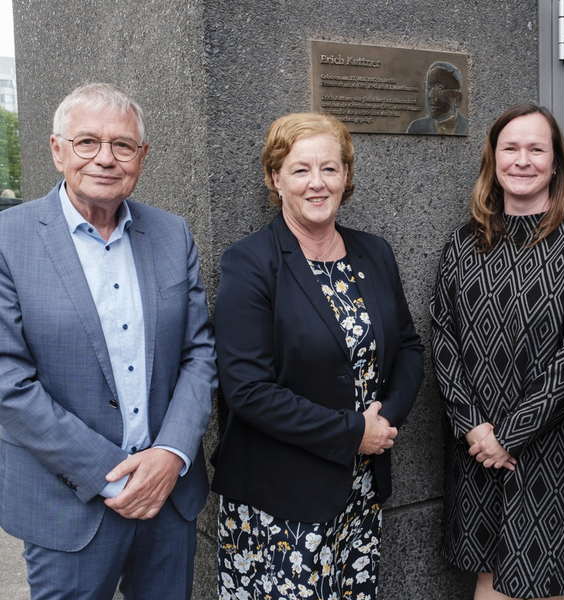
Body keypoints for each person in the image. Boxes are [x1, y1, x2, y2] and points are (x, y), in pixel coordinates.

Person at [0, 83, 217, 599]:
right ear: (57, 150)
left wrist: (170, 454)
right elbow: (7, 380)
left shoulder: (172, 234)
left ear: (142, 157)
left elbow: (200, 353)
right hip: (67, 506)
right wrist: (112, 475)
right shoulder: (8, 239)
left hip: (169, 496)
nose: (105, 159)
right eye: (87, 142)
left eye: (122, 145)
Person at [211, 112, 424, 600]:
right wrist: (354, 432)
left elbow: (409, 347)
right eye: (300, 169)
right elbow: (247, 389)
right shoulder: (251, 262)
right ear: (275, 178)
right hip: (282, 498)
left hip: (359, 491)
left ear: (346, 176)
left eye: (329, 168)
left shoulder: (374, 253)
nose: (317, 183)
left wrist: (384, 422)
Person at [431, 102, 564, 600]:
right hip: (477, 449)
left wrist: (509, 435)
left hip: (546, 452)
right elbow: (443, 339)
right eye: (510, 148)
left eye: (537, 149)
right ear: (493, 159)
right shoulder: (464, 243)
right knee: (488, 574)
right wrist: (475, 429)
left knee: (544, 579)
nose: (522, 160)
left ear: (556, 163)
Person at [406, 61, 469, 136]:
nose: (430, 95)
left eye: (439, 88)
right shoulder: (416, 128)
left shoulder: (469, 127)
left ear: (457, 98)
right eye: (429, 87)